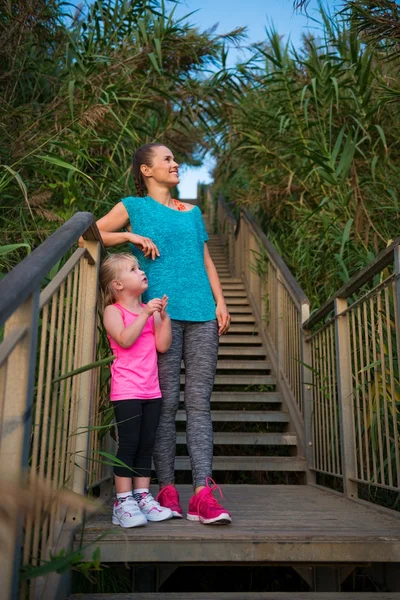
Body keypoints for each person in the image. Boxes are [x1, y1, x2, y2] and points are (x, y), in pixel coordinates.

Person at [96, 143, 232, 525]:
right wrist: (129, 238)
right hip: (160, 317)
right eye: (167, 159)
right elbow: (91, 234)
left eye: (175, 159)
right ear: (145, 170)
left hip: (203, 314)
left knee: (200, 404)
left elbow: (203, 258)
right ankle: (167, 490)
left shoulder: (193, 212)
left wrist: (220, 301)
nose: (175, 164)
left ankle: (203, 494)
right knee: (166, 403)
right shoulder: (133, 207)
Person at [100, 252, 173, 528]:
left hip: (151, 391)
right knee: (129, 445)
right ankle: (123, 502)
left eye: (139, 267)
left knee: (146, 446)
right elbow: (124, 339)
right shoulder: (113, 312)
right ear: (118, 285)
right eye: (133, 269)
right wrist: (145, 314)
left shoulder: (149, 312)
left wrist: (163, 318)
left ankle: (142, 496)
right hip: (127, 390)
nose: (141, 271)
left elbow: (163, 346)